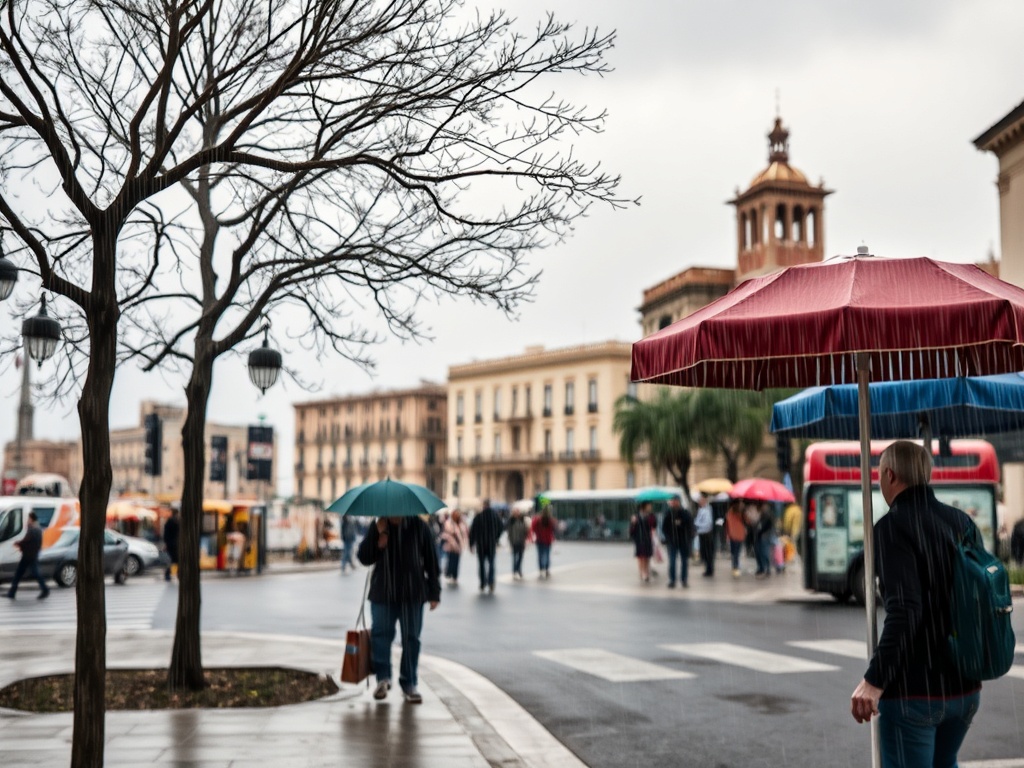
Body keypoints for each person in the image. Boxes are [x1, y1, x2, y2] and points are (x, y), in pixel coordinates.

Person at [850, 441, 982, 767]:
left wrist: (873, 681)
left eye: (880, 474)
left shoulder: (892, 527)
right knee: (945, 761)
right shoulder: (962, 523)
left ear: (890, 475)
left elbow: (906, 609)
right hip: (965, 689)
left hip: (915, 692)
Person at [358, 514, 440, 704]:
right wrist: (377, 539)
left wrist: (434, 592)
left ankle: (409, 683)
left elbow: (431, 560)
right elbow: (363, 557)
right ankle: (383, 679)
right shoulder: (379, 525)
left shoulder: (419, 526)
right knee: (380, 636)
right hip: (383, 592)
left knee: (411, 638)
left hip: (412, 593)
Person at [4, 511, 49, 600]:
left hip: (28, 556)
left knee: (23, 574)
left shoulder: (32, 529)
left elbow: (27, 540)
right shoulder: (38, 529)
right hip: (32, 554)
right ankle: (12, 592)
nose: (27, 520)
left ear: (31, 519)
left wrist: (18, 543)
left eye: (28, 519)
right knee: (27, 573)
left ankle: (44, 589)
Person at [469, 501, 503, 594]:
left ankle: (483, 582)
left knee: (481, 564)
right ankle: (491, 582)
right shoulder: (495, 516)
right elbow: (501, 527)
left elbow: (473, 531)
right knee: (491, 563)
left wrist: (471, 543)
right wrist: (496, 538)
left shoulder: (479, 517)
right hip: (491, 544)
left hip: (481, 545)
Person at [661, 496, 694, 588]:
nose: (674, 503)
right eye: (673, 501)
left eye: (676, 501)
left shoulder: (685, 513)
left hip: (683, 541)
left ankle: (684, 580)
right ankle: (672, 580)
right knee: (672, 561)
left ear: (679, 502)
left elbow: (690, 526)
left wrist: (682, 527)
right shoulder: (668, 514)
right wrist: (668, 537)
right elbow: (664, 527)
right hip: (672, 541)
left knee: (684, 561)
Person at [629, 501, 657, 583]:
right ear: (643, 507)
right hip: (639, 539)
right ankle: (642, 573)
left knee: (647, 557)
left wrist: (651, 518)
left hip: (648, 539)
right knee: (641, 557)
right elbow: (631, 530)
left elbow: (654, 525)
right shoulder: (636, 516)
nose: (650, 507)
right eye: (649, 506)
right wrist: (633, 523)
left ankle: (646, 572)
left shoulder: (651, 516)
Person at [441, 509, 469, 584]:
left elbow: (464, 534)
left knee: (456, 561)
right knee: (451, 561)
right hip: (451, 545)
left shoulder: (461, 524)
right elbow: (445, 534)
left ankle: (455, 575)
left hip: (458, 546)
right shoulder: (449, 523)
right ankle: (449, 573)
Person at [725, 499, 747, 578]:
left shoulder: (729, 513)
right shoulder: (740, 513)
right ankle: (736, 567)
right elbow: (747, 521)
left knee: (734, 552)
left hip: (733, 535)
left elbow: (727, 525)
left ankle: (735, 566)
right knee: (736, 552)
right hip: (739, 535)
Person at [694, 492, 715, 577]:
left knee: (707, 553)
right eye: (699, 500)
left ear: (705, 501)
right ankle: (708, 568)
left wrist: (697, 524)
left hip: (706, 534)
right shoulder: (701, 509)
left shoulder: (706, 510)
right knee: (704, 553)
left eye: (701, 500)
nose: (700, 502)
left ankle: (709, 569)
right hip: (702, 533)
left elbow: (708, 523)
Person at [531, 506, 556, 578]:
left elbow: (533, 528)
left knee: (540, 555)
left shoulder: (538, 520)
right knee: (547, 555)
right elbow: (553, 529)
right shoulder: (550, 520)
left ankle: (541, 569)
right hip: (547, 540)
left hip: (540, 539)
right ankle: (547, 569)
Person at [506, 508, 529, 580]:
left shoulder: (522, 520)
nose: (517, 514)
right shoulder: (511, 521)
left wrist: (525, 538)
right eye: (515, 512)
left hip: (521, 541)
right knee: (514, 557)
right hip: (514, 541)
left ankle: (518, 570)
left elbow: (526, 530)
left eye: (518, 512)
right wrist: (510, 541)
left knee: (520, 557)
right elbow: (509, 532)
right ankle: (515, 571)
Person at [753, 503, 774, 579]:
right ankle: (762, 568)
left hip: (764, 537)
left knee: (764, 553)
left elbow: (763, 526)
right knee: (759, 552)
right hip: (759, 536)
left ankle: (765, 569)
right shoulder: (761, 515)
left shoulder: (767, 516)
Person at [163, 507, 180, 582]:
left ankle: (169, 574)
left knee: (174, 560)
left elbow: (166, 534)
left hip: (171, 543)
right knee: (176, 560)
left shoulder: (170, 521)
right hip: (177, 544)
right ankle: (173, 574)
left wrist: (166, 543)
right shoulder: (178, 521)